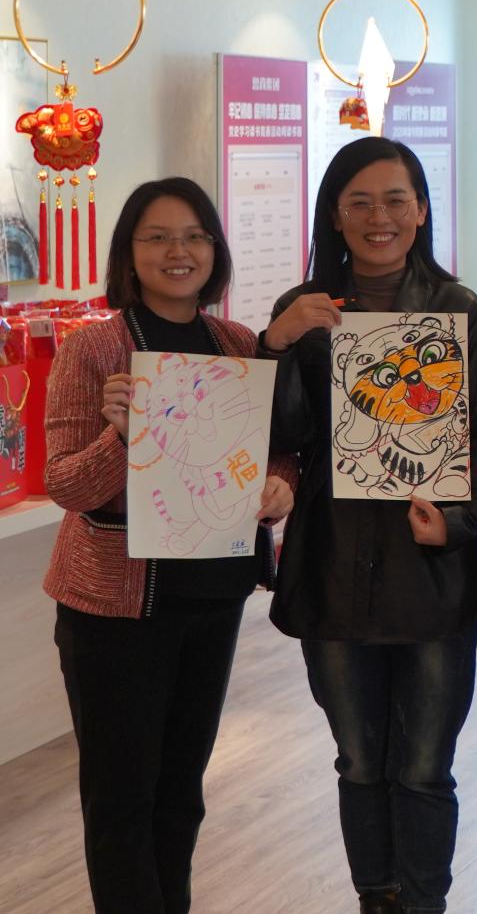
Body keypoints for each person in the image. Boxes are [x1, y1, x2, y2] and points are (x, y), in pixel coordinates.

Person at [264, 137, 477, 914]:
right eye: (360, 201)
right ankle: (377, 898)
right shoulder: (305, 310)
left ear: (422, 209)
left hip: (431, 573)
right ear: (335, 215)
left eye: (397, 199)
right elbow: (278, 435)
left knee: (426, 765)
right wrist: (279, 344)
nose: (380, 217)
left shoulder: (461, 310)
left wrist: (458, 524)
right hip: (333, 568)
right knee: (360, 760)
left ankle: (424, 904)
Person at [42, 178, 296, 914]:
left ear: (214, 249)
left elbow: (278, 451)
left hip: (212, 600)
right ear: (130, 251)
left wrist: (279, 486)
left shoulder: (237, 345)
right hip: (115, 612)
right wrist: (121, 436)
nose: (177, 251)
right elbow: (66, 484)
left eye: (194, 236)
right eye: (157, 236)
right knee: (122, 801)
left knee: (181, 793)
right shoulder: (94, 349)